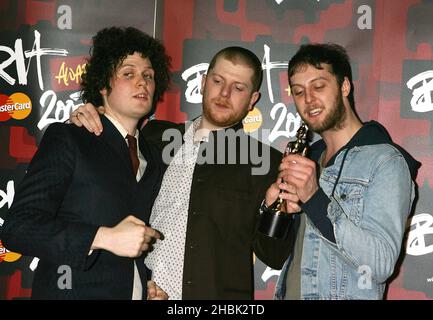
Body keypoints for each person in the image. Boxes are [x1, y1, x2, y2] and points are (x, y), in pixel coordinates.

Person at [69, 46, 291, 299]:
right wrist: (87, 117)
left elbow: (274, 256)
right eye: (218, 81)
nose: (225, 93)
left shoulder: (267, 162)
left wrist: (277, 212)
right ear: (204, 82)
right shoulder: (154, 137)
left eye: (238, 88)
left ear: (252, 100)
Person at [0, 26, 171, 299]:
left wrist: (142, 286)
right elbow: (18, 228)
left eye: (148, 76)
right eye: (129, 73)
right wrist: (104, 237)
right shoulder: (70, 137)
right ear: (103, 85)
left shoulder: (154, 155)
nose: (143, 82)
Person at [263, 43, 420, 300]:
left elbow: (380, 265)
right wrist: (274, 211)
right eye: (299, 91)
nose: (308, 99)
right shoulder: (306, 158)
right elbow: (275, 258)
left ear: (344, 87)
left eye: (319, 86)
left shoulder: (386, 161)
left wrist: (314, 199)